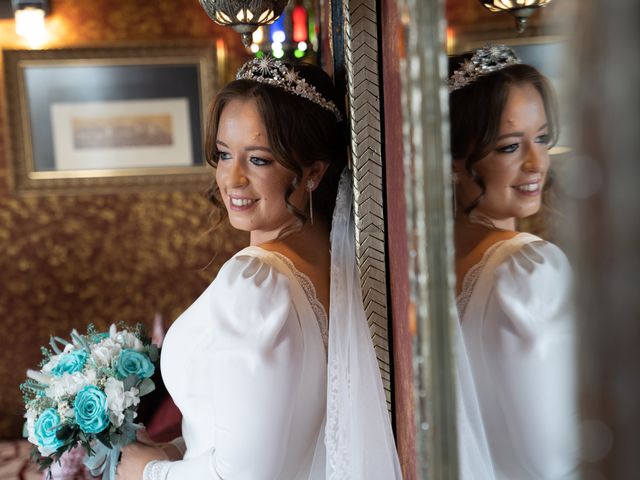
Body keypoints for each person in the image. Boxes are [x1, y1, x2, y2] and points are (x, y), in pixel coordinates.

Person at [116, 57, 402, 480]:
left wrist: (147, 472)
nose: (232, 179)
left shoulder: (256, 284)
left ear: (313, 172)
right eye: (224, 154)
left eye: (259, 160)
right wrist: (177, 448)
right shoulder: (332, 266)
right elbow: (279, 431)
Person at [449, 46, 579, 480]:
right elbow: (557, 456)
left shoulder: (421, 261)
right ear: (453, 161)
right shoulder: (529, 269)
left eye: (541, 138)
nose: (536, 163)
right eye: (509, 147)